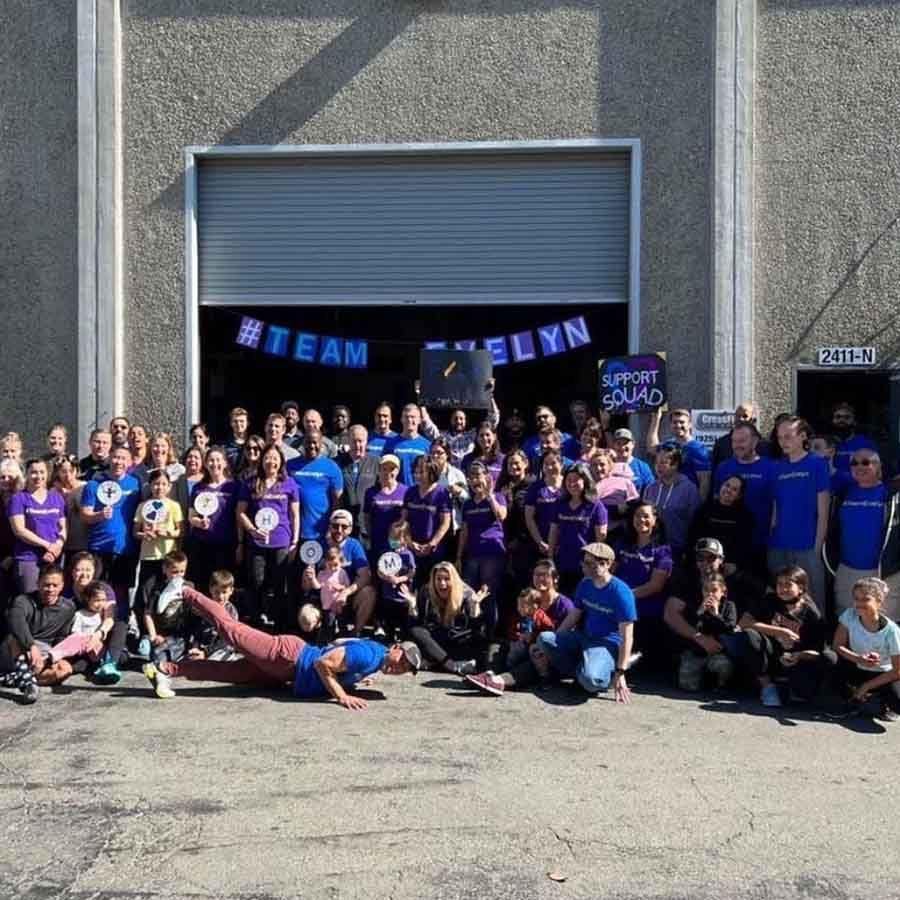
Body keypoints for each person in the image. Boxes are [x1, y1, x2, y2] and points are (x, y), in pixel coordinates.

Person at [144, 583, 420, 710]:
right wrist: (342, 695)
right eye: (402, 660)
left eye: (405, 669)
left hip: (285, 672)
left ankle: (165, 670)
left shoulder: (373, 658)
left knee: (226, 673)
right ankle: (185, 590)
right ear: (395, 647)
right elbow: (322, 663)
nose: (399, 668)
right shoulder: (369, 655)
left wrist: (354, 677)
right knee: (231, 629)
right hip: (287, 656)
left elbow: (340, 643)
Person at [536, 542, 635, 701]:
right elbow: (573, 616)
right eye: (584, 562)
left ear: (606, 564)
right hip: (583, 637)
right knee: (544, 639)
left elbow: (627, 637)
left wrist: (621, 672)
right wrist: (556, 642)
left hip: (606, 644)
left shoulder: (621, 593)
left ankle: (603, 676)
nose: (583, 566)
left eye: (589, 563)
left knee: (591, 681)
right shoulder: (585, 583)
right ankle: (582, 671)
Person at [465, 558, 575, 695]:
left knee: (535, 656)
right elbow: (514, 624)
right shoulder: (527, 598)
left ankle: (499, 681)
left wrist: (534, 638)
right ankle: (489, 675)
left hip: (545, 654)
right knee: (496, 647)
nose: (540, 578)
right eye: (536, 574)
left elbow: (567, 638)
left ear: (555, 579)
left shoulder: (564, 605)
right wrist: (517, 634)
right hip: (521, 646)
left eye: (544, 575)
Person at [734, 566, 830, 707]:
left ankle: (790, 688)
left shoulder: (812, 614)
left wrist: (799, 656)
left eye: (788, 584)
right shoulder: (770, 600)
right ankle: (767, 686)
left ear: (801, 588)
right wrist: (779, 631)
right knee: (750, 635)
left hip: (795, 660)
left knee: (803, 693)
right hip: (769, 654)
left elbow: (818, 652)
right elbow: (744, 622)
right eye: (779, 584)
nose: (783, 589)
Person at [825, 450, 897, 617]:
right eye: (854, 463)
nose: (859, 467)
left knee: (879, 621)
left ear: (878, 467)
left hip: (881, 572)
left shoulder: (891, 495)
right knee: (846, 619)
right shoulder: (842, 494)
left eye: (866, 462)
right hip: (846, 570)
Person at [236, 443, 300, 628]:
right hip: (257, 543)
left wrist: (295, 541)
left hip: (281, 541)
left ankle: (279, 625)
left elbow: (295, 515)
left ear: (281, 462)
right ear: (262, 460)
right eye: (267, 458)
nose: (271, 462)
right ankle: (257, 623)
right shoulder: (251, 483)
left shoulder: (289, 483)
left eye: (275, 458)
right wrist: (252, 530)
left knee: (280, 585)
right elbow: (240, 512)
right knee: (256, 583)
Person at [768, 416, 830, 605]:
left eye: (788, 436)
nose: (783, 442)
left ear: (803, 436)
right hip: (779, 545)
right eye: (780, 437)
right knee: (781, 601)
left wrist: (817, 548)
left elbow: (823, 512)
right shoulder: (778, 468)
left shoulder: (817, 464)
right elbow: (776, 508)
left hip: (807, 545)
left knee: (812, 600)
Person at [80, 446, 142, 611]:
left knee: (121, 595)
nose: (118, 462)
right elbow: (85, 515)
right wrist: (99, 515)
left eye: (123, 458)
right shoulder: (93, 484)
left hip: (126, 549)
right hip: (99, 548)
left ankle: (120, 624)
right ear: (109, 459)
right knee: (98, 594)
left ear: (130, 462)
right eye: (115, 457)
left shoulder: (136, 484)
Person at [0, 564, 73, 701]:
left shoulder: (68, 607)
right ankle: (29, 685)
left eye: (55, 585)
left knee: (65, 669)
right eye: (46, 585)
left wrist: (50, 658)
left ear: (62, 586)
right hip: (18, 649)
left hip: (44, 653)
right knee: (13, 638)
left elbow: (62, 637)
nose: (50, 589)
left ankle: (15, 678)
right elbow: (16, 621)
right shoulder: (23, 600)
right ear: (38, 583)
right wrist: (31, 646)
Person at [832, 577, 900, 721]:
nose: (859, 604)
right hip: (857, 667)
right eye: (856, 599)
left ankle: (874, 697)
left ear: (879, 601)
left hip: (882, 674)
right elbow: (837, 645)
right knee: (830, 661)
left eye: (866, 599)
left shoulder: (892, 631)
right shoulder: (849, 615)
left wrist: (867, 686)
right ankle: (853, 699)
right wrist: (858, 658)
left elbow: (897, 671)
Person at [300, 509, 377, 637]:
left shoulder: (354, 545)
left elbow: (365, 576)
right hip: (323, 598)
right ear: (329, 526)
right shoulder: (318, 546)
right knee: (305, 617)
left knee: (369, 593)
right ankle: (319, 634)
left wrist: (346, 592)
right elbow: (306, 587)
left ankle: (354, 633)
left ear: (350, 529)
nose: (339, 530)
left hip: (346, 597)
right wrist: (308, 576)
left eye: (344, 527)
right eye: (335, 526)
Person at [403, 561, 489, 675]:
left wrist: (474, 606)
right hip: (436, 642)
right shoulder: (426, 592)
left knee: (479, 641)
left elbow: (478, 631)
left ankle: (438, 662)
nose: (442, 583)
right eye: (438, 579)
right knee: (416, 632)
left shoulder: (467, 593)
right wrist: (412, 606)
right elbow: (416, 625)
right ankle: (453, 666)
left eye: (447, 579)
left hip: (458, 641)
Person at [613, 503, 673, 664]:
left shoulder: (663, 550)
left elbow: (655, 586)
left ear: (655, 520)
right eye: (637, 515)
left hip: (646, 612)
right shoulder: (622, 544)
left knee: (639, 661)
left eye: (646, 516)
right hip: (618, 608)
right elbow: (610, 573)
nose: (641, 519)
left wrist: (624, 596)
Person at [712, 422, 774, 574]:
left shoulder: (772, 468)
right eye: (734, 441)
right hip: (727, 545)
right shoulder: (723, 467)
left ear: (755, 441)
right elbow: (716, 501)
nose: (737, 445)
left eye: (742, 441)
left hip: (760, 543)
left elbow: (777, 505)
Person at [456, 461, 507, 633]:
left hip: (492, 553)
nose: (475, 480)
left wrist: (490, 495)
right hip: (472, 554)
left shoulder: (498, 496)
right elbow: (464, 531)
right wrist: (459, 556)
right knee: (470, 594)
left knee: (487, 594)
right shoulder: (468, 504)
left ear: (487, 477)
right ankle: (473, 631)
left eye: (478, 475)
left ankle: (491, 634)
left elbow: (501, 516)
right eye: (471, 477)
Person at [65, 551, 126, 683]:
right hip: (78, 637)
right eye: (79, 570)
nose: (84, 574)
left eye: (88, 570)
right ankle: (98, 662)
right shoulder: (66, 590)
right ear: (72, 571)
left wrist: (98, 634)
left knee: (120, 624)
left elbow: (109, 616)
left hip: (100, 634)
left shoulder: (103, 588)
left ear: (94, 571)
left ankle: (109, 663)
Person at [8, 458, 67, 594]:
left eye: (42, 472)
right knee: (30, 597)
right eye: (34, 472)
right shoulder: (18, 499)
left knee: (52, 597)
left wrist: (57, 546)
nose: (38, 476)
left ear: (48, 474)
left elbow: (63, 527)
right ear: (26, 474)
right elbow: (19, 530)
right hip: (28, 557)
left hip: (54, 556)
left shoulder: (56, 498)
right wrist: (47, 545)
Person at [187, 446, 239, 595]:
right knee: (203, 584)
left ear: (225, 463)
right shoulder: (198, 488)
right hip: (202, 544)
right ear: (205, 463)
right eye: (210, 460)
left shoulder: (234, 487)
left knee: (223, 587)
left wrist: (240, 543)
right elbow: (191, 516)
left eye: (218, 460)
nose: (214, 464)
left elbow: (238, 516)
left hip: (226, 544)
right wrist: (199, 523)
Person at [687, 475, 756, 574]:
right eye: (727, 485)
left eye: (734, 489)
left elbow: (744, 544)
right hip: (703, 560)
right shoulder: (705, 509)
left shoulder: (745, 515)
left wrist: (734, 563)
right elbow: (693, 536)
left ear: (739, 495)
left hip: (728, 563)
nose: (728, 490)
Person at [642, 447, 700, 562]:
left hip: (677, 550)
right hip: (651, 547)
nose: (658, 466)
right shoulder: (651, 488)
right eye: (656, 462)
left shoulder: (689, 489)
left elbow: (695, 522)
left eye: (663, 462)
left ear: (675, 465)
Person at [402, 456, 452, 586]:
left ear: (431, 471)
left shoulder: (442, 493)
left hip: (435, 551)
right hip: (413, 550)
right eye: (416, 471)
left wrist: (432, 544)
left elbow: (445, 522)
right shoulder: (410, 492)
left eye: (421, 471)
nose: (417, 475)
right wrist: (410, 542)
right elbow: (404, 521)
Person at [133, 468, 184, 589]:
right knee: (147, 591)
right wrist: (144, 535)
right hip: (148, 556)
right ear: (150, 485)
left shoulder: (174, 506)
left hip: (168, 556)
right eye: (156, 484)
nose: (160, 487)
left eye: (164, 484)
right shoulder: (143, 506)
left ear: (169, 486)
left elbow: (181, 531)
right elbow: (135, 532)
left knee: (166, 590)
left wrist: (167, 533)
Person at [287, 433, 343, 541]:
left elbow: (337, 502)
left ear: (321, 444)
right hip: (293, 531)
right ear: (303, 443)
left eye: (315, 442)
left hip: (321, 531)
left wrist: (332, 529)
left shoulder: (331, 467)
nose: (312, 446)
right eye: (308, 442)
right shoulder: (290, 465)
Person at [647, 407, 711, 501]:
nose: (678, 425)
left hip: (687, 499)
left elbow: (704, 481)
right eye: (675, 422)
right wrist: (656, 419)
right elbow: (652, 448)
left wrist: (699, 505)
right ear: (670, 425)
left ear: (690, 425)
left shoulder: (698, 449)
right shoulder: (669, 444)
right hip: (667, 498)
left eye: (682, 422)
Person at [497, 449, 535, 588]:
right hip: (507, 543)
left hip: (528, 544)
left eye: (517, 463)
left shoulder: (533, 486)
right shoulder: (503, 487)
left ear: (525, 463)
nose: (513, 467)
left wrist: (520, 539)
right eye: (510, 464)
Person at [373, 520, 417, 637]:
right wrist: (385, 577)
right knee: (389, 619)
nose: (393, 541)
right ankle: (389, 636)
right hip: (388, 594)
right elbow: (379, 570)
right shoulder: (386, 553)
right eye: (391, 538)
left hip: (402, 596)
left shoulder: (407, 555)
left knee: (403, 620)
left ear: (405, 539)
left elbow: (412, 572)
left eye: (396, 539)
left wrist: (399, 579)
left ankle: (404, 637)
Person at [338, 425, 380, 539]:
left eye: (361, 441)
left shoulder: (376, 462)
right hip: (344, 524)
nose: (357, 445)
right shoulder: (338, 462)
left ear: (366, 442)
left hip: (367, 523)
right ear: (348, 441)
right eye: (354, 441)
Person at [362, 455, 407, 559]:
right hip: (377, 543)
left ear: (398, 471)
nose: (388, 472)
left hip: (398, 544)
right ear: (379, 470)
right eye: (384, 469)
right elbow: (366, 518)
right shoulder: (370, 492)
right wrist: (371, 536)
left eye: (392, 469)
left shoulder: (406, 491)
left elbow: (408, 519)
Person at [524, 450, 564, 559]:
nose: (550, 467)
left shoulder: (568, 485)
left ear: (561, 464)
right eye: (546, 464)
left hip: (566, 543)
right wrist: (540, 542)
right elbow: (529, 518)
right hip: (543, 543)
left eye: (553, 463)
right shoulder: (535, 488)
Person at [591, 448, 639, 539]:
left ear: (609, 466)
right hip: (594, 532)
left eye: (602, 464)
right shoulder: (586, 485)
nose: (598, 468)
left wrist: (621, 509)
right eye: (594, 465)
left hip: (618, 532)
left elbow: (635, 505)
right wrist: (611, 509)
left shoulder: (624, 482)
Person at [306, 545, 350, 643]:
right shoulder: (322, 574)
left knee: (342, 623)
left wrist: (340, 587)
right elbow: (317, 586)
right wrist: (312, 578)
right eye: (330, 565)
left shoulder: (342, 573)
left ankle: (344, 640)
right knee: (329, 624)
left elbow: (347, 587)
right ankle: (328, 641)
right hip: (327, 605)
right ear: (325, 562)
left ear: (341, 563)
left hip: (339, 604)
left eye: (336, 565)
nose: (333, 568)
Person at [428, 436, 468, 538]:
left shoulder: (457, 474)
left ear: (447, 454)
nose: (435, 456)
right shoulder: (426, 474)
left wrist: (460, 493)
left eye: (439, 453)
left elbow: (468, 500)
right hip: (431, 523)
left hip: (454, 524)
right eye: (433, 453)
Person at [710, 402, 769, 470]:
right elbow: (715, 470)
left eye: (744, 416)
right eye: (738, 416)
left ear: (754, 420)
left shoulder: (765, 445)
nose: (740, 419)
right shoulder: (721, 443)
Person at [383, 404, 432, 485]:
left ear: (419, 420)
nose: (409, 420)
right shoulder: (390, 443)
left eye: (413, 417)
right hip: (397, 491)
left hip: (419, 491)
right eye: (406, 417)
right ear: (401, 419)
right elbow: (383, 469)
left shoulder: (427, 445)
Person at [52, 455, 89, 556]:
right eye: (63, 471)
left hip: (81, 541)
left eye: (71, 471)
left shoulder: (85, 487)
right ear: (57, 472)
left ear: (77, 471)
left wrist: (71, 496)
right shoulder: (53, 492)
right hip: (59, 541)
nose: (68, 475)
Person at [831, 402, 877, 474]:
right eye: (838, 417)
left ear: (854, 421)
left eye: (847, 417)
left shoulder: (865, 443)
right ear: (833, 420)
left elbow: (873, 472)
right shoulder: (825, 443)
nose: (842, 420)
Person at [611, 428, 655, 493]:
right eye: (618, 443)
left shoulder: (642, 467)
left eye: (625, 443)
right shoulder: (609, 466)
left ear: (633, 444)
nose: (622, 447)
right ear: (613, 445)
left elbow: (651, 490)